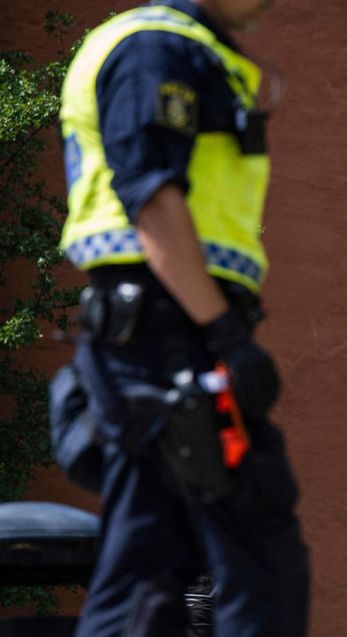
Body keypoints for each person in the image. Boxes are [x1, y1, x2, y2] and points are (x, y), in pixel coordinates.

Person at [55, 0, 309, 635]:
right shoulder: (155, 50)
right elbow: (152, 199)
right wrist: (223, 333)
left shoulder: (192, 50)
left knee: (149, 578)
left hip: (166, 337)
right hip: (169, 339)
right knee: (252, 562)